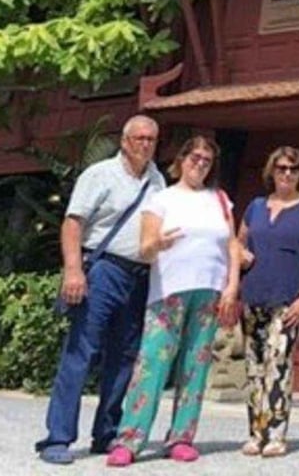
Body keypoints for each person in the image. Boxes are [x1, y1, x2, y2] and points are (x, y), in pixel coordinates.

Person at [37, 115, 167, 466]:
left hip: (139, 275)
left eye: (151, 139)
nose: (145, 144)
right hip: (103, 269)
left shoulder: (158, 181)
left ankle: (106, 432)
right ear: (124, 141)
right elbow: (73, 222)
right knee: (81, 354)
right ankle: (58, 437)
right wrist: (73, 269)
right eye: (139, 137)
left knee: (124, 358)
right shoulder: (99, 175)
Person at [106, 135, 242, 467]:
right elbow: (145, 247)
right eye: (194, 157)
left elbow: (233, 246)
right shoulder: (160, 199)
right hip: (169, 289)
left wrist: (232, 287)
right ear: (181, 159)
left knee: (196, 366)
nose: (200, 163)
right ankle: (131, 438)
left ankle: (182, 436)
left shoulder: (220, 199)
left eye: (207, 160)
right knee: (152, 363)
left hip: (209, 289)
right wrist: (160, 245)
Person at [237, 146, 299, 457]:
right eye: (281, 168)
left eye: (293, 169)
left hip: (288, 299)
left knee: (278, 364)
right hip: (253, 296)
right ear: (271, 172)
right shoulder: (256, 207)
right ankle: (255, 432)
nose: (287, 174)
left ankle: (276, 434)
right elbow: (238, 242)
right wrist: (241, 254)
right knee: (254, 367)